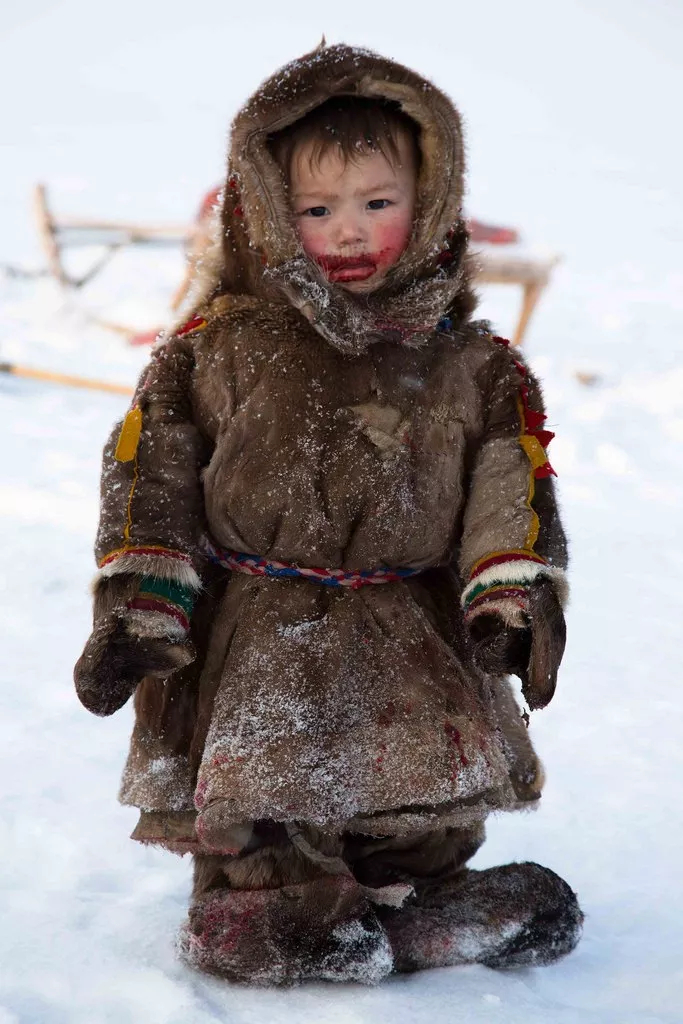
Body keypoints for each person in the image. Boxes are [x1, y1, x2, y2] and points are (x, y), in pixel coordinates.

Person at [74, 42, 582, 985]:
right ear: (268, 211)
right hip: (262, 625)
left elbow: (509, 481)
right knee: (269, 785)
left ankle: (418, 897)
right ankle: (261, 904)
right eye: (315, 209)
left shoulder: (474, 363)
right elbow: (155, 470)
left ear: (429, 197)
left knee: (416, 785)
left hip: (410, 621)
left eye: (376, 202)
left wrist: (512, 596)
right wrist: (142, 603)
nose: (347, 231)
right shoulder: (211, 347)